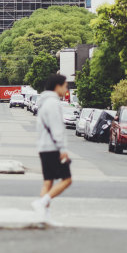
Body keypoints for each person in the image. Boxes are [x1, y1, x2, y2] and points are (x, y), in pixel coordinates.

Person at [32, 74, 72, 220]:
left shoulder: (43, 103)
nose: (66, 89)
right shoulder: (53, 103)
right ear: (58, 86)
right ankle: (42, 203)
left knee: (48, 182)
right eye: (65, 86)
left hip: (43, 148)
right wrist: (62, 149)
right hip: (53, 147)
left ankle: (43, 218)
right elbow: (57, 128)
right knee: (67, 179)